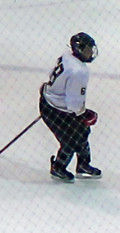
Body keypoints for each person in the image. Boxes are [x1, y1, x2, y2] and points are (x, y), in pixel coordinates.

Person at [40, 33, 101, 182]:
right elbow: (74, 103)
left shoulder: (67, 56)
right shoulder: (79, 71)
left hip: (52, 101)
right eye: (88, 49)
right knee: (70, 139)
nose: (91, 52)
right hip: (55, 109)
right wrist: (83, 114)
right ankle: (58, 168)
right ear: (79, 50)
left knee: (82, 131)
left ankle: (83, 165)